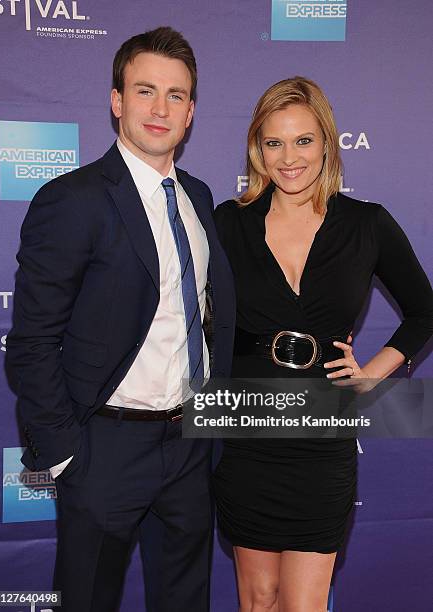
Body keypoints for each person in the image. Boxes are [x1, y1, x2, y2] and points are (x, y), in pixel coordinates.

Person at [6, 27, 235, 612]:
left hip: (189, 442)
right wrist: (66, 455)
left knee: (185, 600)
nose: (160, 109)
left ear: (190, 113)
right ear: (116, 100)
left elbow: (210, 318)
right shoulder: (73, 199)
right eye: (145, 90)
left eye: (176, 95)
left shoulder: (200, 198)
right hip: (104, 445)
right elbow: (32, 342)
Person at [212, 76, 433, 612]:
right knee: (258, 599)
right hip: (248, 430)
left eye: (304, 140)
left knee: (304, 605)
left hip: (321, 438)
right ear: (257, 149)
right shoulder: (228, 222)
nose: (289, 158)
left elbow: (424, 310)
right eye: (274, 143)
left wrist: (375, 371)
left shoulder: (367, 224)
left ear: (328, 143)